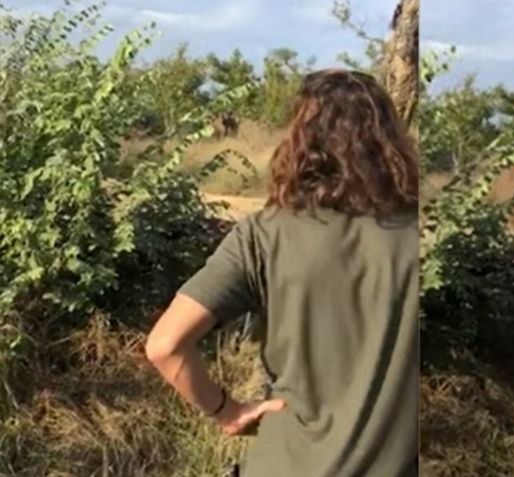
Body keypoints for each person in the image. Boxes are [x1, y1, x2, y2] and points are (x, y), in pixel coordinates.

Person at [145, 69, 419, 477]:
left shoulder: (263, 235)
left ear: (299, 142)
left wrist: (228, 412)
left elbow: (165, 346)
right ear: (388, 141)